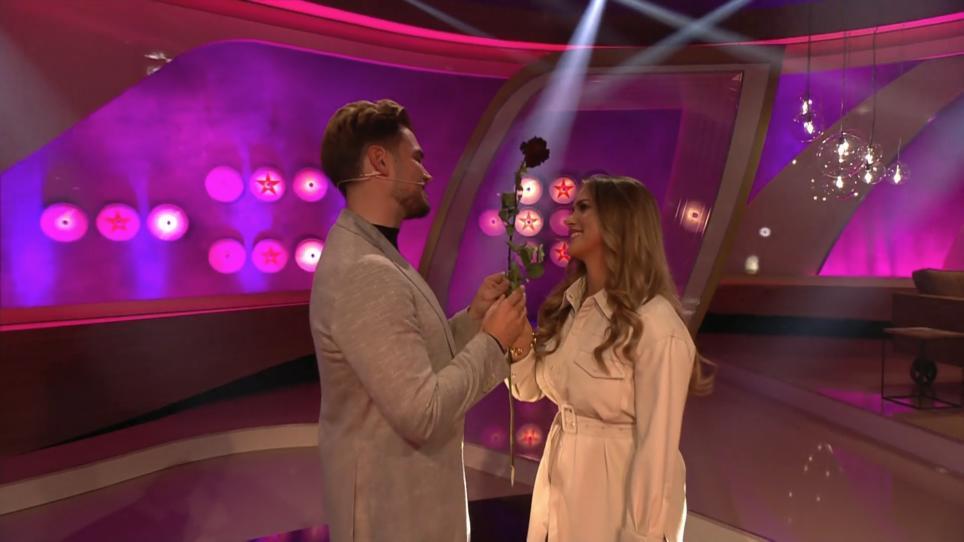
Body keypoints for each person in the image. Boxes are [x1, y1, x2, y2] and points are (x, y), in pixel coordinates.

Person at [310, 99, 528, 541]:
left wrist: (474, 319)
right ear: (379, 161)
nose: (426, 173)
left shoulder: (373, 251)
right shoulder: (366, 270)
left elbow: (410, 363)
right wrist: (493, 343)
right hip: (394, 516)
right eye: (416, 158)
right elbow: (422, 413)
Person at [507, 174, 714, 542]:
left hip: (614, 501)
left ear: (619, 221)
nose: (570, 219)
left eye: (583, 208)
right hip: (560, 490)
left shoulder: (656, 325)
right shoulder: (572, 306)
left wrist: (641, 535)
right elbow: (528, 388)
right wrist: (516, 337)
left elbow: (657, 451)